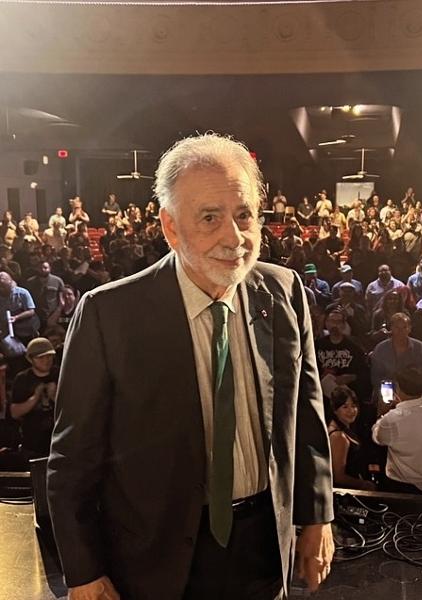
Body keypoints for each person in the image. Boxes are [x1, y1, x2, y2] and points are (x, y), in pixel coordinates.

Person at [47, 133, 334, 600]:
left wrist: (317, 516)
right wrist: (83, 571)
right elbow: (72, 459)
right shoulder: (108, 314)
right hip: (155, 556)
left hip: (264, 544)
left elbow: (306, 413)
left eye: (244, 215)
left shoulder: (284, 292)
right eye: (210, 218)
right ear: (171, 227)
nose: (234, 237)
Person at [372, 366, 422, 495]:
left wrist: (382, 414)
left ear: (398, 387)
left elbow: (378, 438)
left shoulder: (392, 419)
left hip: (402, 486)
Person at [9, 337, 59, 461]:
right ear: (30, 359)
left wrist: (54, 396)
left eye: (49, 356)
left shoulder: (60, 374)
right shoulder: (22, 379)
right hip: (32, 445)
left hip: (58, 441)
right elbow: (15, 413)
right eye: (41, 358)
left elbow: (74, 409)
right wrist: (35, 397)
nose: (46, 360)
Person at [370, 312, 422, 401]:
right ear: (391, 328)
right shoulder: (380, 349)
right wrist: (389, 397)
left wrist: (417, 389)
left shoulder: (419, 347)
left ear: (409, 329)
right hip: (387, 396)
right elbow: (376, 377)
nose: (400, 331)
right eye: (397, 327)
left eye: (404, 327)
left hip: (414, 395)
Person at [327, 386, 375, 491]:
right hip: (346, 494)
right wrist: (363, 484)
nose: (351, 411)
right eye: (345, 407)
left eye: (353, 406)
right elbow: (338, 477)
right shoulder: (338, 436)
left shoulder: (343, 428)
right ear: (335, 410)